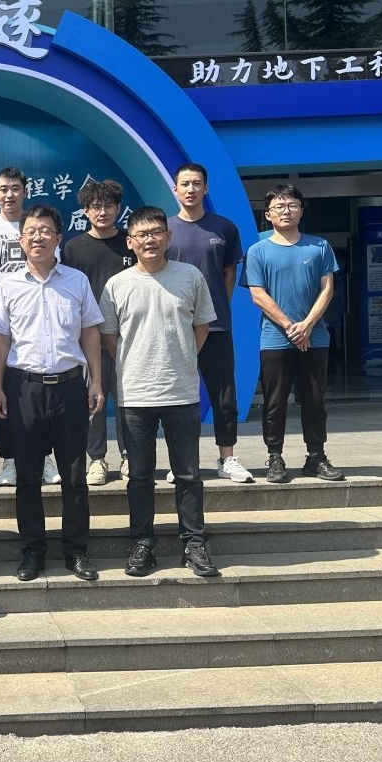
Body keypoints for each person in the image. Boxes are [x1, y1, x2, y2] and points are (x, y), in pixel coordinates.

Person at [100, 206, 221, 579]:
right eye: (141, 234)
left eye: (156, 232)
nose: (149, 239)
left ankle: (194, 543)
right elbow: (109, 338)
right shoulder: (117, 285)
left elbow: (201, 326)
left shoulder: (190, 276)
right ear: (130, 242)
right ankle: (142, 542)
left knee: (188, 474)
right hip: (136, 394)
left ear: (168, 237)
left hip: (181, 392)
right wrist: (135, 364)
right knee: (139, 475)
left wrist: (182, 359)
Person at [0, 204, 105, 582]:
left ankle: (76, 550)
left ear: (58, 238)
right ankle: (33, 551)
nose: (38, 237)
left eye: (45, 231)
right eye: (31, 231)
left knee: (74, 475)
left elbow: (90, 331)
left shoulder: (76, 281)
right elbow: (0, 339)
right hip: (24, 389)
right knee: (27, 476)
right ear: (21, 240)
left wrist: (96, 381)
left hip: (70, 387)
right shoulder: (8, 285)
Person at [246, 184, 345, 484]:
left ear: (302, 211)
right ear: (268, 215)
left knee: (314, 400)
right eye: (279, 206)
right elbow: (258, 294)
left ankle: (316, 456)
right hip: (275, 337)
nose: (286, 211)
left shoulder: (319, 246)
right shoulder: (257, 250)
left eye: (292, 205)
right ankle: (275, 456)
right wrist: (291, 327)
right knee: (274, 401)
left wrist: (307, 325)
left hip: (315, 337)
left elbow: (327, 290)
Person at [0, 166, 61, 487]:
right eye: (3, 189)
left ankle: (45, 458)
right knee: (5, 395)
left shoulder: (38, 226)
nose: (9, 195)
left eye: (15, 189)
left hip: (40, 326)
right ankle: (9, 460)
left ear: (25, 191)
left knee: (42, 400)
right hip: (1, 328)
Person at [164, 163, 253, 484]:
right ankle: (182, 461)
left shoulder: (224, 228)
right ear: (175, 189)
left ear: (206, 188)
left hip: (216, 327)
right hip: (176, 328)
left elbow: (229, 274)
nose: (191, 189)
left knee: (223, 395)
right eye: (185, 184)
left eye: (197, 183)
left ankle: (227, 458)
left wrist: (214, 310)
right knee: (178, 398)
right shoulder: (165, 230)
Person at [60, 178, 135, 487]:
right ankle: (97, 459)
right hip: (90, 339)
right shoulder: (74, 248)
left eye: (108, 206)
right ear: (85, 211)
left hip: (129, 338)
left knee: (129, 401)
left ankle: (130, 456)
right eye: (96, 207)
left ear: (118, 208)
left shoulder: (130, 242)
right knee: (94, 401)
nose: (102, 212)